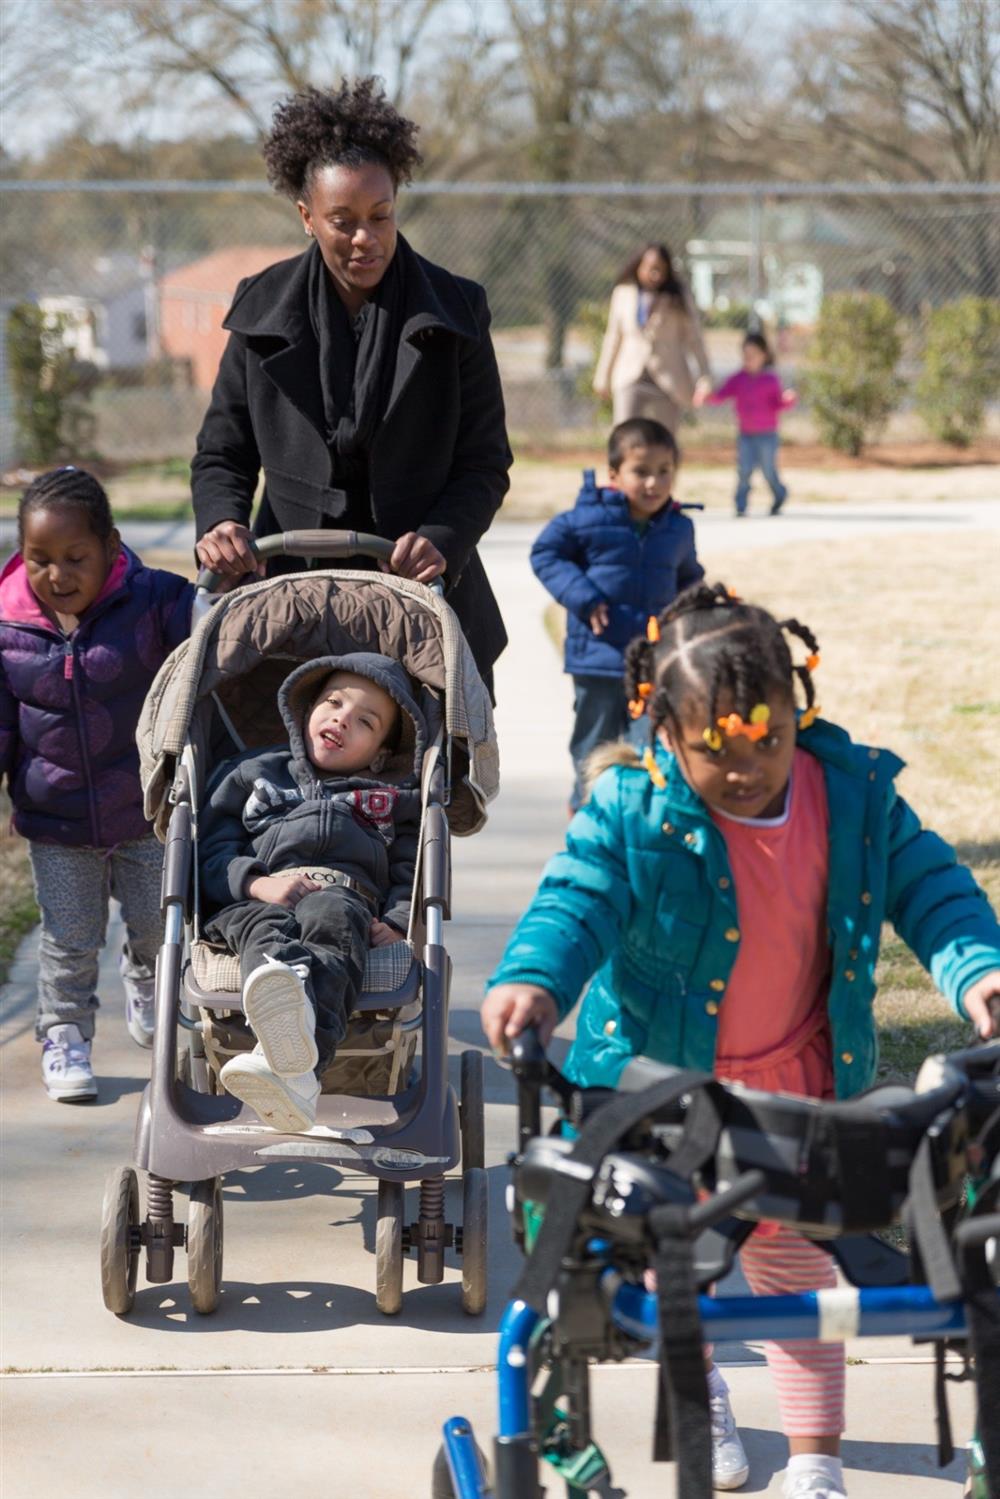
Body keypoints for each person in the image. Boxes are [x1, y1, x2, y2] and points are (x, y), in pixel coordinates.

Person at [482, 582, 1000, 1498]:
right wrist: (533, 978)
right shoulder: (633, 813)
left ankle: (813, 1456)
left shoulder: (855, 797)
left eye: (771, 735)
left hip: (795, 1087)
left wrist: (977, 969)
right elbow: (575, 900)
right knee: (673, 1264)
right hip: (660, 1093)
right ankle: (707, 1392)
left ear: (799, 707)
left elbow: (935, 888)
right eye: (719, 747)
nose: (751, 764)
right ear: (666, 735)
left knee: (798, 1272)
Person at [191, 77, 511, 692]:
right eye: (343, 221)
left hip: (423, 603)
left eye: (380, 216)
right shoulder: (260, 309)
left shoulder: (458, 310)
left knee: (431, 774)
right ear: (307, 217)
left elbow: (484, 462)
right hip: (288, 603)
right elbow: (222, 452)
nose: (366, 238)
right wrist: (222, 523)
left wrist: (442, 539)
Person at [0, 468, 194, 1101]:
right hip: (55, 819)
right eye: (40, 560)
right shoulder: (9, 630)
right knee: (69, 937)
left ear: (111, 547)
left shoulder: (152, 600)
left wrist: (224, 594)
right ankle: (65, 1034)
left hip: (144, 810)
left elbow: (209, 628)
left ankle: (144, 981)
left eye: (75, 557)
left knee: (152, 927)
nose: (57, 576)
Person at [197, 652, 423, 1134]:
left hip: (343, 897)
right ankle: (289, 1025)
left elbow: (413, 869)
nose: (342, 718)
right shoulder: (253, 773)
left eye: (365, 721)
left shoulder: (389, 803)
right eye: (333, 702)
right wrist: (257, 882)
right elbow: (210, 853)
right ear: (305, 710)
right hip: (253, 899)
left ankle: (288, 1049)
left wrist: (401, 918)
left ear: (382, 753)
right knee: (266, 927)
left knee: (333, 914)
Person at [530, 417, 703, 811]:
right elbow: (545, 553)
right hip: (599, 659)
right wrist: (584, 598)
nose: (653, 483)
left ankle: (634, 821)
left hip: (654, 662)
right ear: (614, 474)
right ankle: (586, 814)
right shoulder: (587, 519)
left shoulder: (678, 528)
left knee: (649, 747)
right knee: (594, 747)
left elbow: (689, 577)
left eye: (664, 472)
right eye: (640, 471)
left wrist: (692, 613)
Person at [593, 242, 712, 434]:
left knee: (664, 440)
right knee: (624, 435)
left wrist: (705, 376)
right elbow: (613, 337)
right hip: (630, 374)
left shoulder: (677, 297)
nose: (655, 274)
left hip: (668, 377)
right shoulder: (624, 293)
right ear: (639, 266)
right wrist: (602, 375)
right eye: (650, 268)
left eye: (661, 269)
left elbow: (695, 339)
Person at [695, 331, 796, 516]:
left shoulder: (770, 380)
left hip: (767, 434)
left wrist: (788, 400)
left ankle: (779, 493)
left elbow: (778, 404)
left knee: (768, 471)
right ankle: (740, 505)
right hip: (746, 434)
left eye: (752, 355)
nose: (748, 359)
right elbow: (721, 395)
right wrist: (707, 397)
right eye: (745, 355)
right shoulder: (738, 379)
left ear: (763, 356)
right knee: (744, 470)